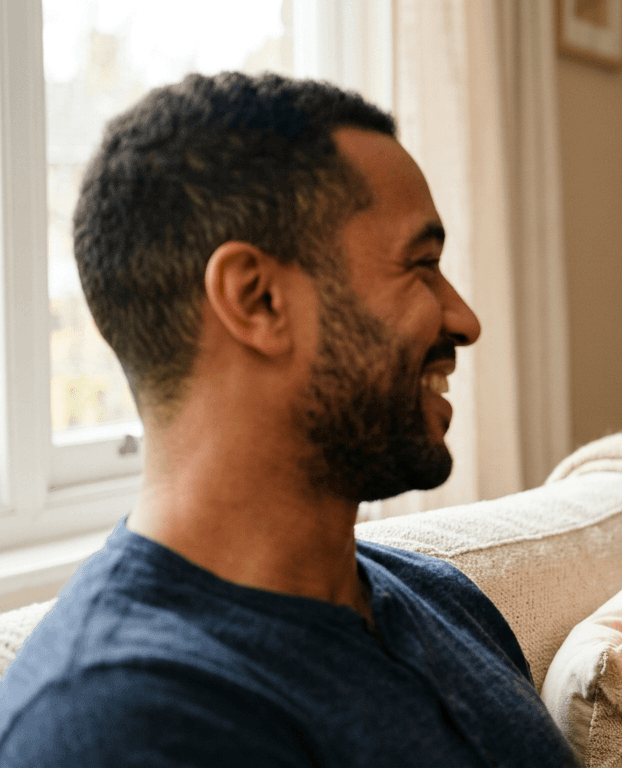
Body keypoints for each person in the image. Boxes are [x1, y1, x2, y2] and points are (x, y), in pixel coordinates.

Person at [0, 72, 576, 767]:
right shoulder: (113, 722)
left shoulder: (443, 599)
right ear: (258, 300)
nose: (465, 319)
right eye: (421, 265)